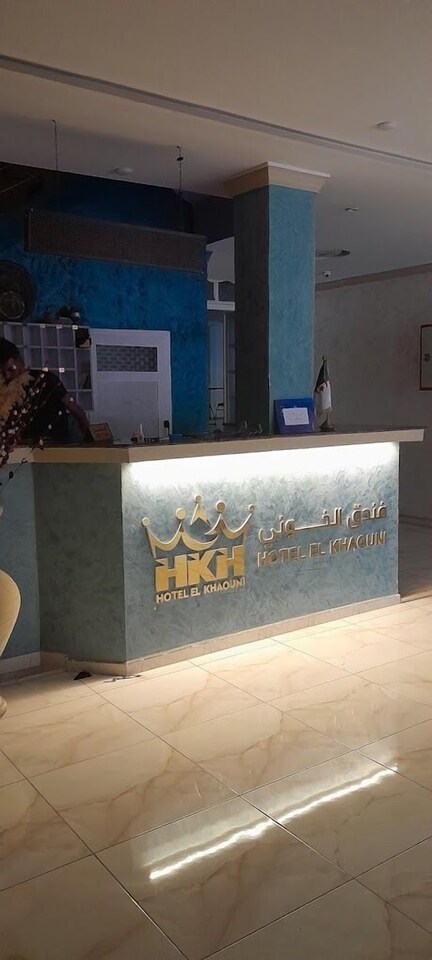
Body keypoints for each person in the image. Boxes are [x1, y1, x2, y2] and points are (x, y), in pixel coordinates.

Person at [0, 337, 91, 443]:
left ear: (20, 360)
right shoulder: (3, 390)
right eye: (2, 372)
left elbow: (75, 409)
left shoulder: (46, 379)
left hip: (56, 442)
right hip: (21, 446)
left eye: (10, 369)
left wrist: (88, 437)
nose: (7, 376)